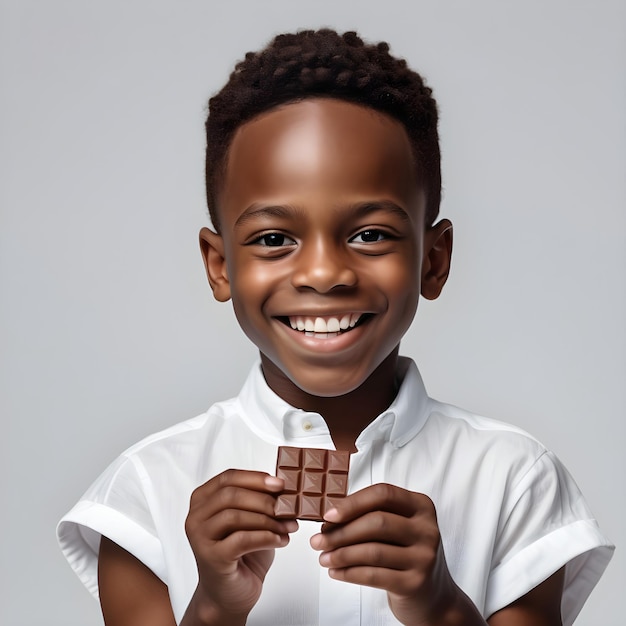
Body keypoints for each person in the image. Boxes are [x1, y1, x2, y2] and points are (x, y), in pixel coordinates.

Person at [57, 29, 613, 626]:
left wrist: (442, 607)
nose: (323, 273)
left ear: (434, 259)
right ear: (221, 266)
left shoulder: (514, 479)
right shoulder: (145, 490)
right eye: (274, 239)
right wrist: (215, 607)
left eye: (370, 234)